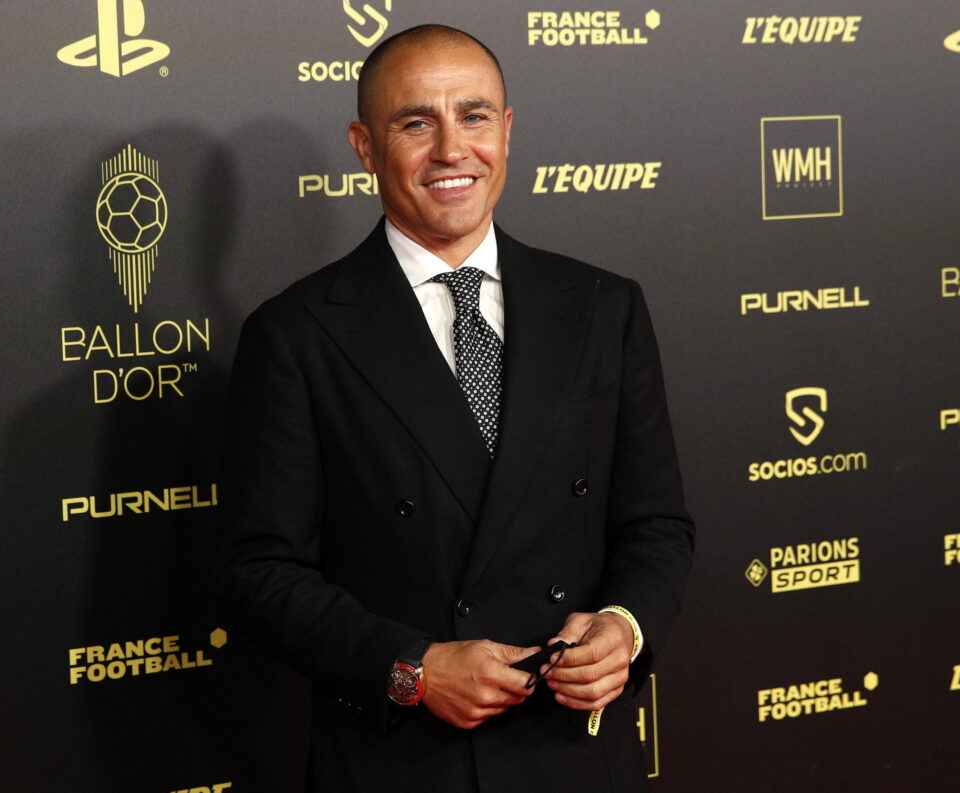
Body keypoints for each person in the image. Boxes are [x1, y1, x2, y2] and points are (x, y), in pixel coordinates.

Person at [218, 24, 693, 793]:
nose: (451, 150)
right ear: (365, 147)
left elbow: (657, 524)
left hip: (575, 757)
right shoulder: (296, 334)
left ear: (507, 131)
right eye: (416, 123)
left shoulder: (603, 308)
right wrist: (413, 668)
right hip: (402, 764)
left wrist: (625, 626)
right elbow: (259, 570)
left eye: (473, 117)